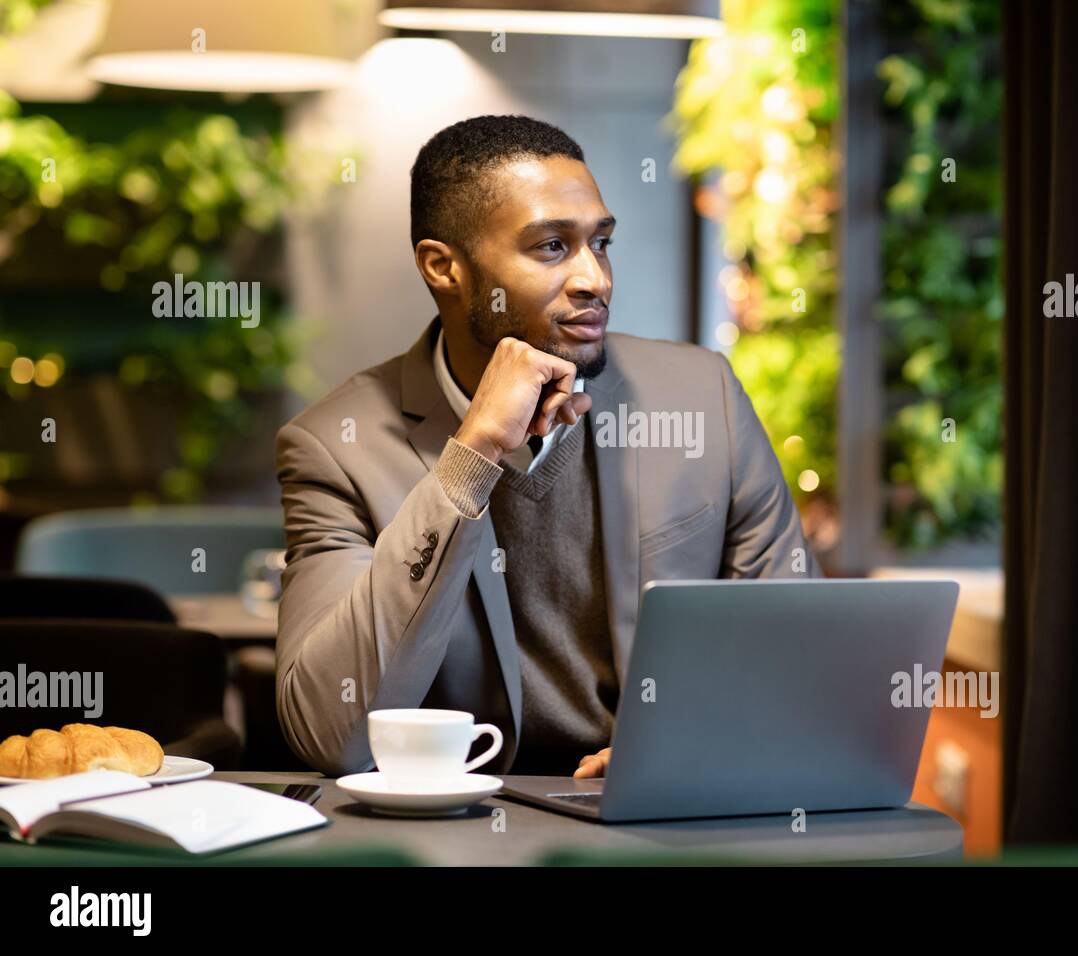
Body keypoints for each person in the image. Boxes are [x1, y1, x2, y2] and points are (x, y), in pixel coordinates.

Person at [275, 114, 817, 780]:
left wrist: (690, 750)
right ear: (443, 267)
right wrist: (472, 456)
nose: (596, 279)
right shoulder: (334, 448)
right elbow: (331, 732)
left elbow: (793, 658)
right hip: (461, 835)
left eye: (602, 242)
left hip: (662, 821)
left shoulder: (704, 399)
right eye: (552, 247)